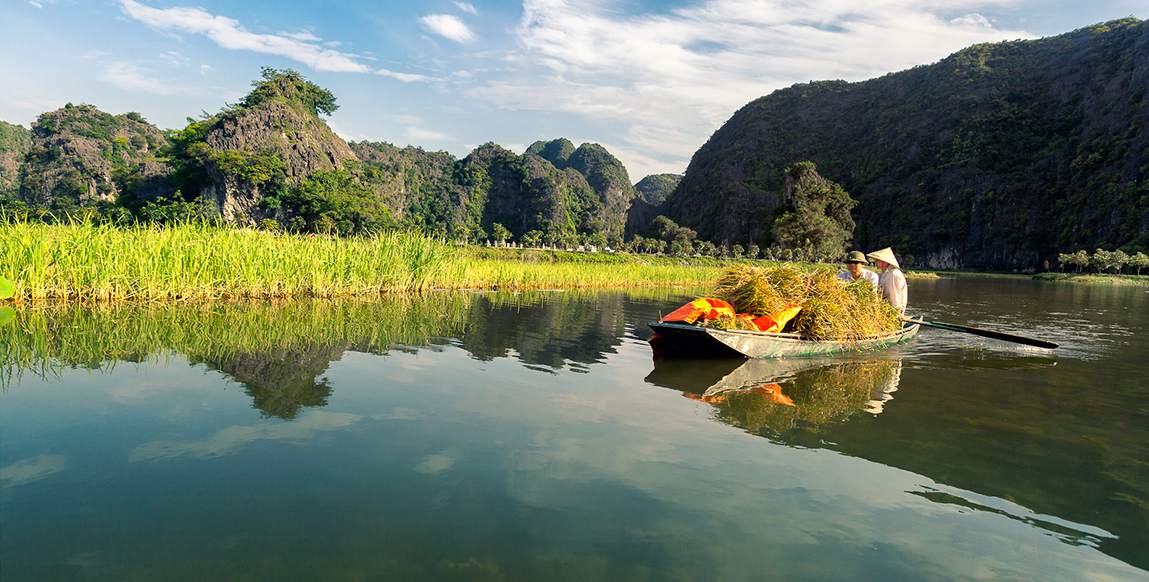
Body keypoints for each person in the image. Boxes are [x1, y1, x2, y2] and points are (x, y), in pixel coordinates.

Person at [866, 247, 908, 313]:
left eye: (877, 260)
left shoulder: (893, 274)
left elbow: (894, 298)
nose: (875, 263)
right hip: (884, 310)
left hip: (893, 312)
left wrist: (895, 313)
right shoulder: (883, 274)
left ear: (884, 262)